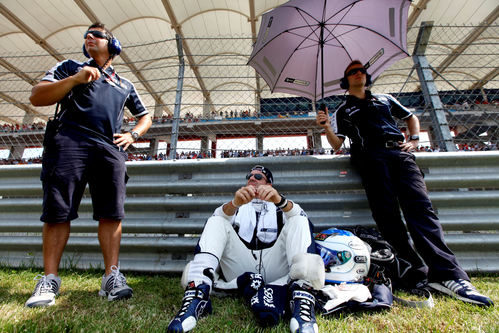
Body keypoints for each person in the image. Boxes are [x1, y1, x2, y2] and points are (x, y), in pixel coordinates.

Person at [315, 60, 493, 307]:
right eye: (352, 72)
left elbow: (411, 118)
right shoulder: (343, 109)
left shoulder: (385, 98)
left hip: (400, 155)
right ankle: (414, 276)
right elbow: (337, 145)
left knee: (421, 212)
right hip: (370, 160)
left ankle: (450, 276)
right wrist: (326, 127)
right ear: (345, 80)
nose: (358, 73)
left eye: (361, 70)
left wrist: (415, 139)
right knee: (387, 218)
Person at [25, 22, 152, 307]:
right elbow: (37, 95)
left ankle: (112, 277)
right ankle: (49, 280)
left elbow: (146, 116)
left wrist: (132, 134)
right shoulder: (69, 66)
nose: (89, 38)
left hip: (109, 148)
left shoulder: (125, 84)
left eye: (97, 35)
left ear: (113, 45)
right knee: (58, 211)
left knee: (112, 213)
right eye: (87, 36)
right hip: (69, 141)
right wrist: (75, 80)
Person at [167, 165, 325, 333]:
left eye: (258, 177)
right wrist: (235, 203)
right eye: (249, 176)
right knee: (216, 220)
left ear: (269, 184)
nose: (251, 178)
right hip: (240, 268)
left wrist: (280, 201)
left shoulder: (281, 208)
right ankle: (196, 297)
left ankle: (302, 302)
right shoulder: (237, 206)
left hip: (276, 269)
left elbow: (300, 217)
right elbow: (219, 218)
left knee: (299, 220)